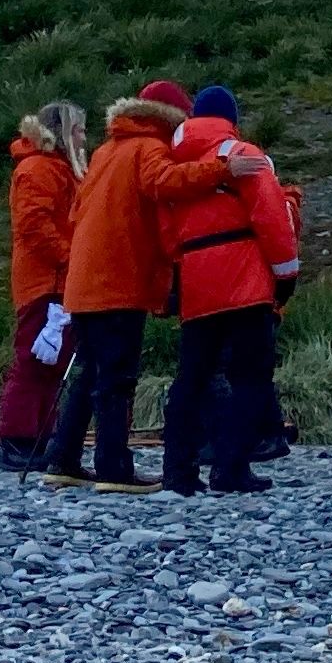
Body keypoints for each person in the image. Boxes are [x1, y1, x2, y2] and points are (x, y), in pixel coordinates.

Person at [48, 83, 231, 488]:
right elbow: (164, 182)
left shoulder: (106, 150)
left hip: (84, 282)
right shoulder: (149, 146)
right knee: (117, 378)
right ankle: (114, 468)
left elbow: (78, 212)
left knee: (89, 374)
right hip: (119, 281)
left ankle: (63, 460)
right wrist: (222, 170)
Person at [157, 87, 299, 497]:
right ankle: (231, 468)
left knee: (192, 378)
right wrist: (286, 273)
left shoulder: (176, 167)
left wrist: (180, 274)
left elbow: (166, 230)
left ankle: (178, 471)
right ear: (231, 119)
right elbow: (272, 217)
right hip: (245, 281)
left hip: (197, 281)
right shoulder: (242, 154)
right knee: (250, 377)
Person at [0, 104, 85, 474]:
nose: (83, 137)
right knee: (33, 361)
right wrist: (71, 259)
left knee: (51, 362)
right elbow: (34, 225)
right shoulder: (39, 169)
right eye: (77, 130)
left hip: (56, 280)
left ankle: (36, 438)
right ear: (61, 132)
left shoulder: (56, 168)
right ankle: (17, 440)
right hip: (45, 281)